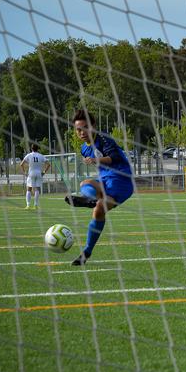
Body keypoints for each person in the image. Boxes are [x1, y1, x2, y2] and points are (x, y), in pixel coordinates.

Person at [64, 109, 134, 266]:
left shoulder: (103, 138)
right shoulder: (84, 148)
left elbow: (115, 157)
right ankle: (90, 201)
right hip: (105, 180)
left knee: (100, 207)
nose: (81, 132)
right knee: (85, 185)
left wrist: (97, 160)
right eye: (78, 129)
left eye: (84, 128)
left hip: (121, 180)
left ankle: (92, 202)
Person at [19, 144, 50, 209]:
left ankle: (28, 205)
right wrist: (44, 172)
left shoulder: (29, 155)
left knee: (29, 189)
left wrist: (24, 172)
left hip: (31, 173)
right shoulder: (41, 156)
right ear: (37, 149)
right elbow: (48, 164)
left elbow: (21, 164)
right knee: (37, 189)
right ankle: (35, 205)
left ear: (31, 149)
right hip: (38, 173)